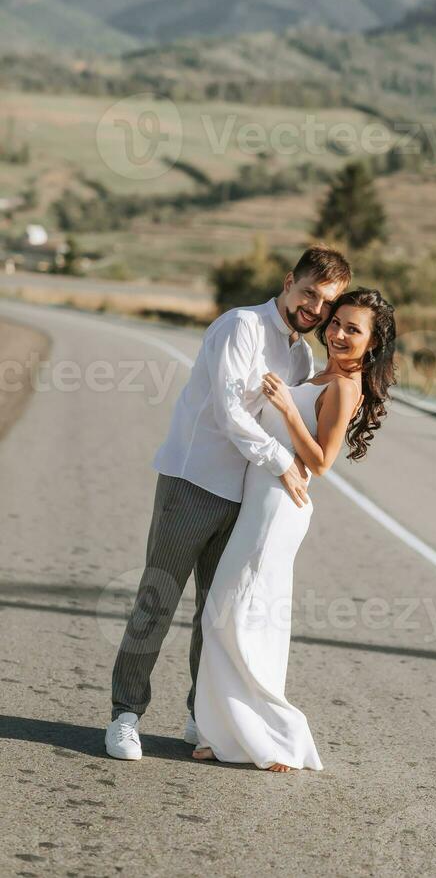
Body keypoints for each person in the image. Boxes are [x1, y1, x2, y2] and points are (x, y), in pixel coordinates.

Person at [105, 245, 352, 761]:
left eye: (325, 302)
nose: (314, 307)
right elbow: (228, 414)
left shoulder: (301, 356)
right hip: (192, 481)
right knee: (158, 598)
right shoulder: (240, 326)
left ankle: (202, 714)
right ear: (289, 282)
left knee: (215, 615)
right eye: (309, 292)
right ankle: (125, 715)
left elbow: (298, 427)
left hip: (243, 497)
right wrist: (281, 464)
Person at [192, 287, 397, 771]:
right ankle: (224, 735)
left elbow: (323, 462)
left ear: (372, 344)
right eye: (337, 322)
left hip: (280, 506)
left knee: (232, 613)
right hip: (262, 495)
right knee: (242, 615)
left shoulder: (345, 386)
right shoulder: (317, 370)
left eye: (353, 329)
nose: (339, 333)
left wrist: (286, 407)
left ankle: (274, 736)